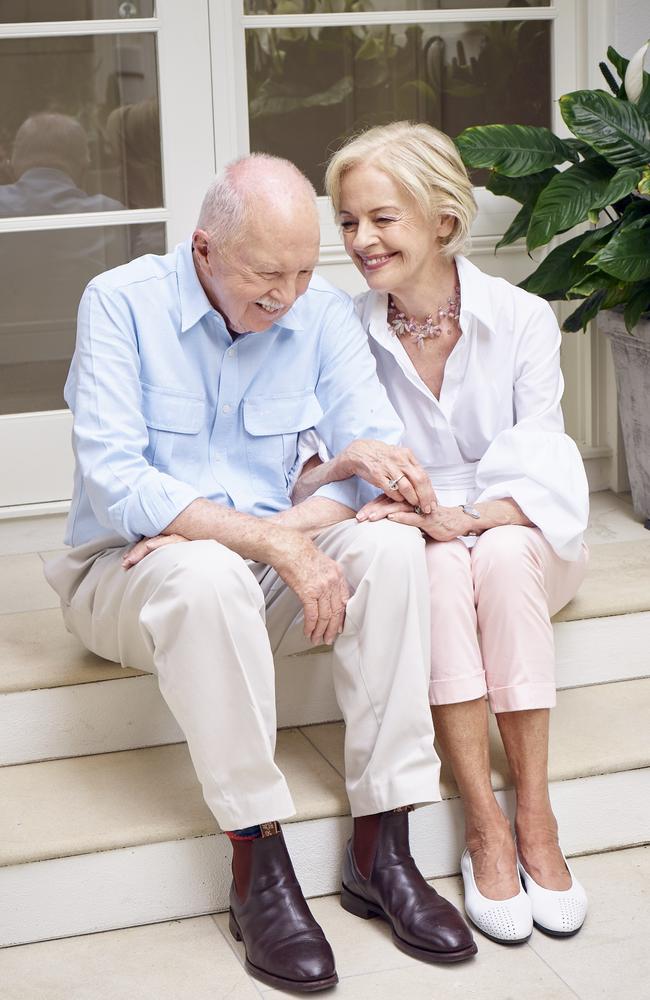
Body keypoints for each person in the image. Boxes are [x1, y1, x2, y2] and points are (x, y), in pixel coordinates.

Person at [44, 154, 476, 994]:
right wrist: (260, 542)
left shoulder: (319, 316)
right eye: (266, 275)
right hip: (125, 577)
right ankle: (258, 865)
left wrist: (277, 531)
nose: (287, 296)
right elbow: (121, 483)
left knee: (388, 547)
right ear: (204, 249)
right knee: (201, 573)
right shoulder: (120, 304)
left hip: (261, 560)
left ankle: (382, 848)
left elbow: (375, 468)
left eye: (307, 270)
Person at [291, 121, 590, 945]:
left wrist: (465, 516)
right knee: (433, 566)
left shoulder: (522, 318)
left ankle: (536, 814)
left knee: (490, 555)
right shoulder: (342, 329)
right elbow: (314, 463)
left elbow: (544, 462)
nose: (359, 240)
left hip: (519, 527)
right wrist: (375, 491)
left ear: (443, 221)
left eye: (381, 218)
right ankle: (484, 825)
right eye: (348, 221)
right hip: (414, 536)